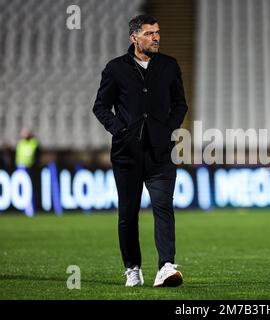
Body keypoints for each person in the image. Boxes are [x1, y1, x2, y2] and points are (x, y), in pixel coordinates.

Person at [93, 15, 188, 288]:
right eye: (149, 33)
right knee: (128, 214)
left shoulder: (169, 66)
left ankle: (166, 266)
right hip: (127, 153)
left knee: (163, 207)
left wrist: (167, 130)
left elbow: (179, 105)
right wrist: (121, 131)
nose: (156, 37)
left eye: (157, 32)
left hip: (160, 153)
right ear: (134, 37)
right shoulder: (115, 68)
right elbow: (100, 106)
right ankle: (132, 268)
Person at [15, 128, 41, 217]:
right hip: (20, 169)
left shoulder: (34, 143)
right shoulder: (20, 143)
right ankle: (23, 207)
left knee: (30, 189)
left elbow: (37, 156)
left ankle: (31, 209)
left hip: (30, 169)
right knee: (22, 190)